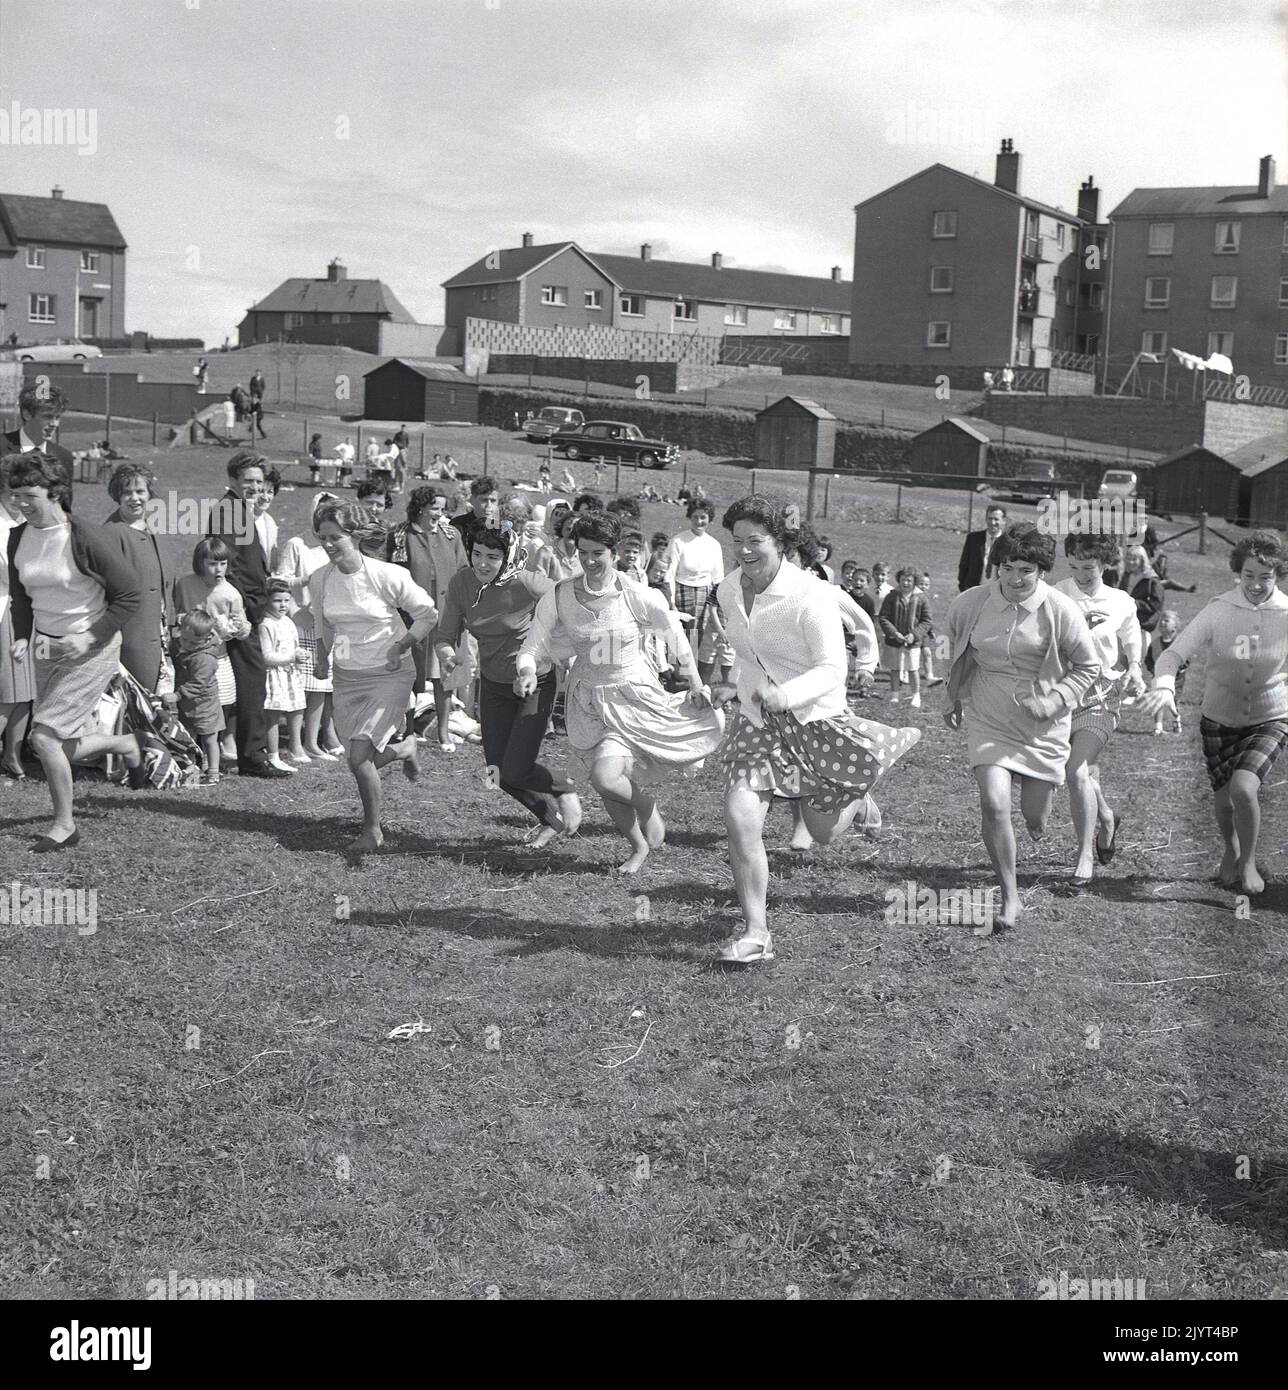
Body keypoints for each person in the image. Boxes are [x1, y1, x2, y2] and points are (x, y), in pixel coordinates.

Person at [713, 496, 919, 963]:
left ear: (781, 543)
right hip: (758, 723)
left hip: (815, 721)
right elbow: (747, 656)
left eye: (756, 542)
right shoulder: (728, 590)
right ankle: (756, 932)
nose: (745, 551)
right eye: (738, 541)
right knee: (740, 818)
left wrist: (786, 695)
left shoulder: (811, 596)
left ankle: (856, 795)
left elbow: (831, 669)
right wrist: (737, 688)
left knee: (824, 834)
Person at [516, 511, 722, 874]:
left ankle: (645, 806)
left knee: (604, 777)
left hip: (633, 696)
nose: (590, 561)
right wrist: (527, 672)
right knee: (605, 778)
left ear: (614, 553)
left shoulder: (637, 594)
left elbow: (676, 639)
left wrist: (695, 684)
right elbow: (533, 646)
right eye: (583, 553)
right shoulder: (560, 594)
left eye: (598, 553)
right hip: (586, 701)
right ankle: (638, 846)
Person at [944, 523, 1100, 931]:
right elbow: (961, 652)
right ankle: (1010, 897)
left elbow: (1089, 666)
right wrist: (953, 697)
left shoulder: (1061, 610)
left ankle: (1036, 815)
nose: (1015, 578)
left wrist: (1053, 700)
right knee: (994, 803)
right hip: (989, 714)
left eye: (1025, 570)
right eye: (1007, 567)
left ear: (1042, 571)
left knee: (1035, 815)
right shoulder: (970, 603)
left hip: (1042, 725)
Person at [4, 451, 145, 851]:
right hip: (46, 648)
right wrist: (20, 634)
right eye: (15, 495)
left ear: (55, 493)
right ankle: (125, 744)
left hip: (92, 647)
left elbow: (129, 595)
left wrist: (89, 636)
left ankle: (65, 825)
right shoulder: (18, 536)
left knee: (44, 738)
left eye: (29, 495)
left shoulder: (84, 536)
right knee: (59, 740)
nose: (21, 503)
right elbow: (20, 591)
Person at [1140, 531, 1288, 897]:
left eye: (1265, 577)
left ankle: (1249, 861)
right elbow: (1173, 654)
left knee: (1243, 788)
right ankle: (1231, 849)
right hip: (1217, 719)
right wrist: (1163, 685)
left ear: (1278, 576)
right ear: (1238, 572)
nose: (1256, 585)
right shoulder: (1218, 609)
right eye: (1249, 575)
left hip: (1270, 717)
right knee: (1223, 802)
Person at [436, 524, 581, 848]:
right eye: (476, 554)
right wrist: (447, 655)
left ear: (508, 557)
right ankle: (552, 821)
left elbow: (570, 600)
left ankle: (563, 786)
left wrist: (564, 647)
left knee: (516, 767)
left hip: (535, 682)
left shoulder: (526, 582)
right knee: (497, 772)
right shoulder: (462, 583)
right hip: (493, 684)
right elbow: (445, 635)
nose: (482, 563)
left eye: (492, 556)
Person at [309, 502, 438, 853]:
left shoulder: (386, 575)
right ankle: (404, 748)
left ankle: (372, 830)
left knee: (358, 757)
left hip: (390, 673)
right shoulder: (320, 579)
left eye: (336, 537)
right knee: (360, 757)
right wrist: (322, 660)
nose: (329, 544)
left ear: (355, 536)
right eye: (323, 538)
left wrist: (403, 645)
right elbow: (322, 624)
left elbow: (427, 614)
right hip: (348, 677)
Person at [1054, 533, 1144, 890]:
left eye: (1088, 567)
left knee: (1075, 772)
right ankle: (1106, 815)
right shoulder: (1056, 592)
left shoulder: (1120, 600)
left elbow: (1131, 635)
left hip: (1102, 695)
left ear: (1104, 564)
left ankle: (1084, 856)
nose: (1080, 573)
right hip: (1062, 694)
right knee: (1083, 773)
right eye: (1073, 565)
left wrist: (1135, 667)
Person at [206, 451, 289, 778]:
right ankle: (251, 756)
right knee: (251, 682)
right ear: (232, 481)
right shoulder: (229, 511)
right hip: (239, 611)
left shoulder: (239, 510)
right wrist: (252, 606)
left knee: (248, 682)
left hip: (247, 606)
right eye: (248, 481)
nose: (254, 487)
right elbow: (228, 567)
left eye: (259, 482)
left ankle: (243, 752)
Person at [386, 486, 468, 751]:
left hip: (446, 617)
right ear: (421, 507)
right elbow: (394, 575)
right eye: (435, 508)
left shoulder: (451, 534)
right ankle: (408, 730)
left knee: (445, 675)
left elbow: (464, 573)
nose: (440, 514)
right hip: (413, 619)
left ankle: (443, 732)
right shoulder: (400, 535)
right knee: (411, 675)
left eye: (443, 508)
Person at [276, 493, 345, 760]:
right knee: (303, 686)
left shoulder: (336, 544)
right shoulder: (298, 544)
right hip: (303, 623)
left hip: (329, 623)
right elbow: (281, 581)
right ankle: (296, 743)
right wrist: (295, 612)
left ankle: (316, 740)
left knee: (323, 686)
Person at [173, 537, 252, 764]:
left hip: (217, 658)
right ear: (199, 563)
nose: (219, 570)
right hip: (188, 657)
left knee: (221, 702)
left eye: (223, 564)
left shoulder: (230, 593)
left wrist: (237, 628)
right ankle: (192, 752)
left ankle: (216, 744)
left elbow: (243, 628)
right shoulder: (185, 585)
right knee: (189, 703)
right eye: (212, 564)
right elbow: (177, 615)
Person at [102, 463, 169, 693]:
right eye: (127, 492)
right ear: (117, 496)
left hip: (161, 634)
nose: (134, 498)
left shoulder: (152, 527)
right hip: (131, 640)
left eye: (140, 491)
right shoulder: (111, 533)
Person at [662, 498, 725, 681]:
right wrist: (671, 602)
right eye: (695, 517)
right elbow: (670, 573)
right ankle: (673, 677)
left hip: (705, 595)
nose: (699, 522)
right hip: (681, 591)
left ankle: (689, 678)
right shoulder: (678, 541)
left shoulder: (713, 544)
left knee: (696, 637)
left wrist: (716, 605)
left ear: (709, 519)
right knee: (678, 635)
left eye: (703, 517)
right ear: (690, 518)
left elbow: (718, 578)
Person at [0, 472, 34, 778]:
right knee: (9, 693)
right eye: (11, 494)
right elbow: (14, 574)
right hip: (6, 612)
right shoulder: (2, 528)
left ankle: (12, 755)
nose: (18, 501)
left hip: (27, 611)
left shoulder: (24, 525)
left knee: (24, 691)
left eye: (22, 494)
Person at [260, 578, 308, 770]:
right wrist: (291, 657)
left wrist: (301, 654)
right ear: (267, 600)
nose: (283, 605)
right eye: (277, 601)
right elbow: (267, 656)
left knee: (297, 707)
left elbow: (294, 646)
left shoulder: (288, 621)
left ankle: (296, 746)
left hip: (290, 673)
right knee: (273, 713)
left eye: (286, 601)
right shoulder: (266, 624)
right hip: (274, 675)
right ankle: (273, 754)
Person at [173, 610, 224, 784]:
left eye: (192, 642)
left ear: (206, 638)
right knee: (189, 737)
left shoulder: (205, 658)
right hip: (189, 704)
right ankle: (192, 769)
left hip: (205, 703)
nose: (186, 644)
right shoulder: (189, 647)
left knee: (210, 738)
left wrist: (178, 695)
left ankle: (213, 773)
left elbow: (198, 683)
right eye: (183, 639)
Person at [879, 568, 932, 707]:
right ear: (898, 580)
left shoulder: (921, 598)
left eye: (909, 580)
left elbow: (927, 621)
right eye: (903, 580)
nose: (906, 583)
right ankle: (894, 695)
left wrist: (914, 635)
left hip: (913, 642)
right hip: (894, 641)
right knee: (895, 668)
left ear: (914, 582)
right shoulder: (892, 596)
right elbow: (884, 617)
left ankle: (916, 696)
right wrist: (894, 633)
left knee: (913, 668)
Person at [4, 383, 75, 468]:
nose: (54, 424)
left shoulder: (64, 458)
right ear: (27, 414)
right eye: (48, 417)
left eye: (57, 417)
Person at [1144, 609, 1186, 735]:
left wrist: (1175, 670)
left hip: (1175, 680)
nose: (1162, 622)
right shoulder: (1155, 643)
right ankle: (1158, 727)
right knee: (1157, 700)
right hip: (1158, 679)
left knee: (1173, 701)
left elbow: (1186, 660)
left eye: (1166, 620)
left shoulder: (1180, 642)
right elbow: (1149, 660)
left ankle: (1176, 720)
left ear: (1175, 626)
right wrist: (1153, 669)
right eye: (1161, 620)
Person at [957, 503, 1008, 592]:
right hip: (975, 589)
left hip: (998, 591)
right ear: (985, 519)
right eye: (990, 518)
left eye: (996, 519)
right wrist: (963, 587)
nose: (992, 523)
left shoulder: (1008, 542)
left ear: (1004, 520)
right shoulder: (973, 539)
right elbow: (964, 564)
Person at [451, 476, 500, 553]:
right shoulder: (457, 525)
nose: (489, 505)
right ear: (472, 500)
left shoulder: (501, 527)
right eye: (484, 500)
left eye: (493, 501)